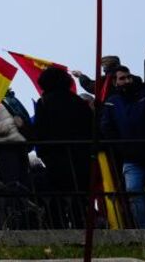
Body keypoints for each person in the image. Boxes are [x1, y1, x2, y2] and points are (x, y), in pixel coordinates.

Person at [100, 65, 145, 229]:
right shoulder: (111, 103)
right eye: (122, 78)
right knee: (133, 192)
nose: (126, 80)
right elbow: (106, 128)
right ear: (115, 82)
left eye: (128, 77)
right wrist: (121, 148)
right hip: (130, 157)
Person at [32, 66, 92, 228]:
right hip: (80, 154)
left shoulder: (44, 102)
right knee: (80, 193)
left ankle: (61, 225)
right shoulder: (77, 101)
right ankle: (83, 223)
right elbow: (89, 125)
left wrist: (44, 152)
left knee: (60, 194)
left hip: (56, 155)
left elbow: (40, 130)